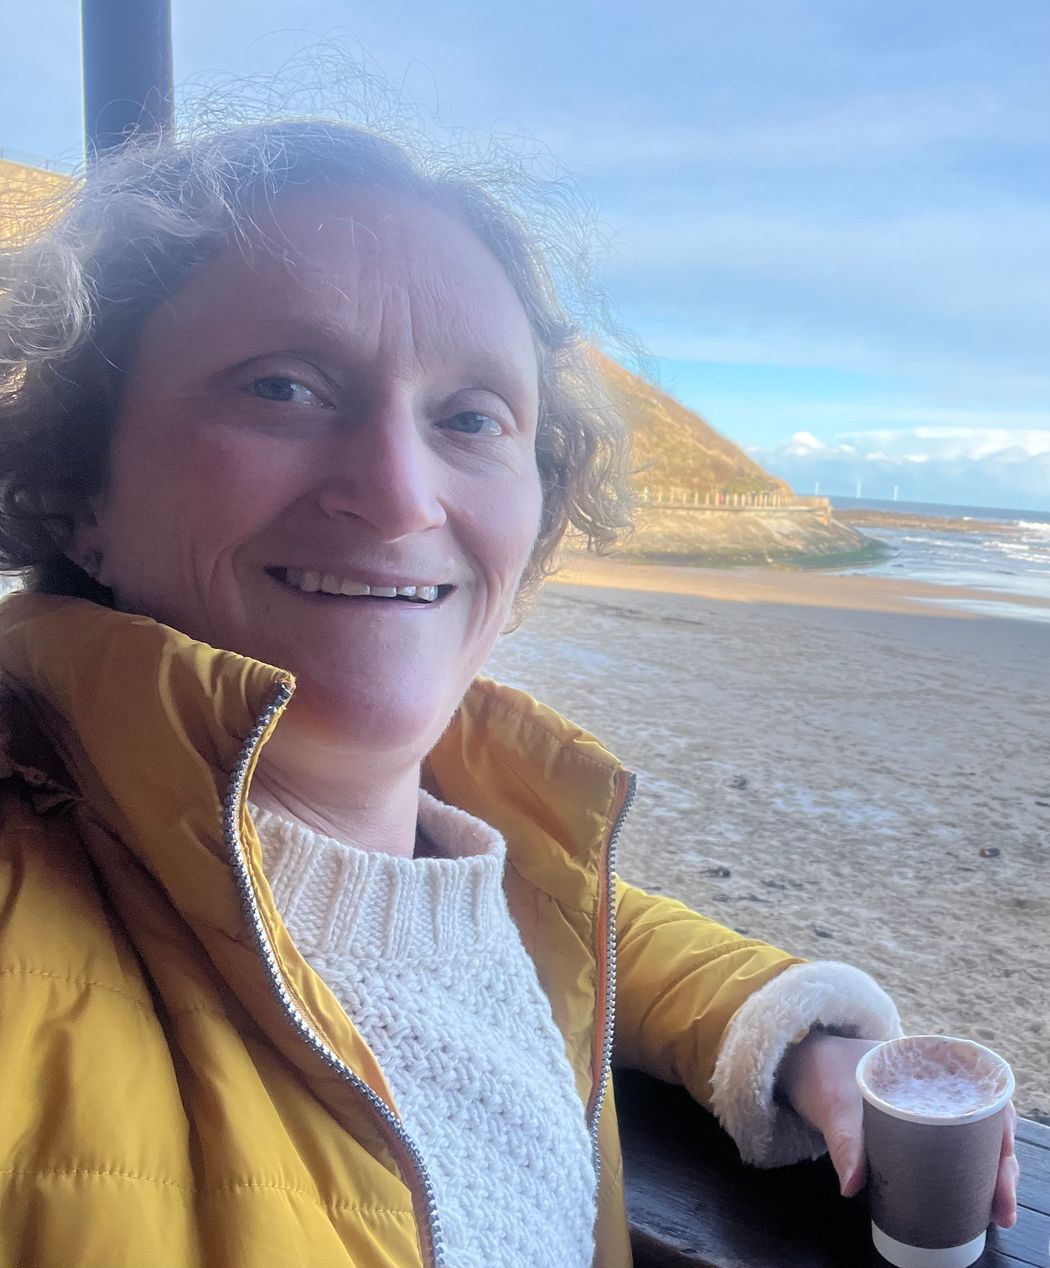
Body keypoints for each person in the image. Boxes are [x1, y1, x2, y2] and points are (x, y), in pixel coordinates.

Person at [0, 120, 1018, 1268]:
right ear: (80, 484)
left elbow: (512, 913)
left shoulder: (479, 836)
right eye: (282, 387)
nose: (396, 493)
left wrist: (787, 1020)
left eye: (471, 417)